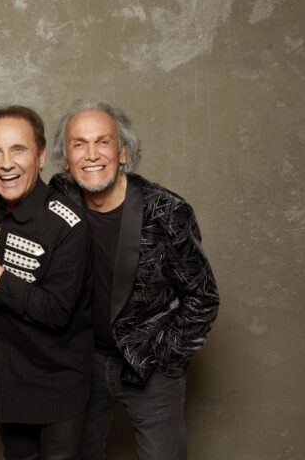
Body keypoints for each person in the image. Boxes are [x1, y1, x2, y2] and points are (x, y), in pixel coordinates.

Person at [49, 99, 220, 460]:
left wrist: (165, 359)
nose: (91, 155)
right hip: (83, 363)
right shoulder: (60, 198)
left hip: (150, 365)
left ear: (123, 152)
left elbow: (202, 297)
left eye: (103, 142)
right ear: (65, 159)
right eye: (79, 144)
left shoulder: (167, 211)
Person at [0, 106, 93, 460]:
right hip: (7, 387)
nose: (6, 163)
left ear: (41, 156)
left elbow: (56, 312)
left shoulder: (68, 224)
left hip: (57, 387)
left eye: (18, 149)